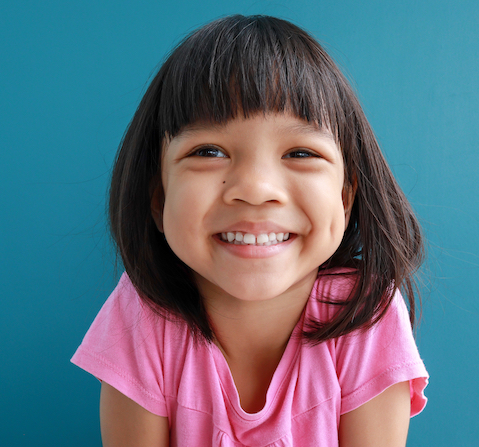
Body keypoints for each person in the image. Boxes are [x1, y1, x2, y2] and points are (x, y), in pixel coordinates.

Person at [72, 14, 428, 446]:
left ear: (346, 195)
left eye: (299, 152)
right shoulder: (140, 317)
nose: (256, 190)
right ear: (158, 196)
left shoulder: (366, 314)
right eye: (209, 151)